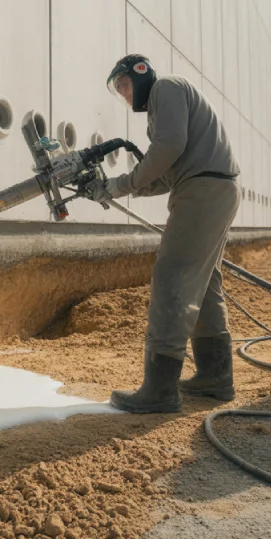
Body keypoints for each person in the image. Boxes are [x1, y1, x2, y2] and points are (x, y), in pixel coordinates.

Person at [87, 54, 242, 413]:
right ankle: (215, 376)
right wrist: (118, 187)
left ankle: (159, 390)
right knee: (204, 284)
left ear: (140, 74)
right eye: (119, 91)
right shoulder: (165, 104)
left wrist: (119, 184)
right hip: (214, 188)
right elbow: (168, 172)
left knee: (172, 275)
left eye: (124, 86)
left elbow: (168, 147)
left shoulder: (165, 88)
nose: (125, 96)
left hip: (203, 190)